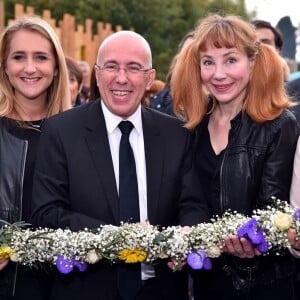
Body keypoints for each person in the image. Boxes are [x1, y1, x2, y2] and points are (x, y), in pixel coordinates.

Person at [31, 30, 204, 300]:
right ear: (97, 75)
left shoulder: (177, 134)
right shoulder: (61, 131)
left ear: (149, 78)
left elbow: (193, 204)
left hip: (162, 291)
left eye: (133, 68)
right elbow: (46, 211)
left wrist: (186, 235)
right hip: (85, 290)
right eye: (111, 66)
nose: (121, 78)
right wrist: (121, 238)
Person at [171, 14, 299, 300]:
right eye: (208, 62)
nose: (218, 74)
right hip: (206, 283)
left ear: (252, 62)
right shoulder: (193, 125)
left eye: (230, 60)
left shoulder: (280, 125)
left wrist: (252, 241)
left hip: (263, 285)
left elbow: (274, 211)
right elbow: (186, 199)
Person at [0, 16, 72, 299]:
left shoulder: (80, 136)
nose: (30, 68)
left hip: (65, 286)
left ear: (56, 68)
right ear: (5, 66)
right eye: (19, 57)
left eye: (41, 57)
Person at [149, 31, 194, 116]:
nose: (190, 59)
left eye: (195, 53)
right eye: (186, 53)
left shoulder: (215, 104)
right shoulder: (160, 101)